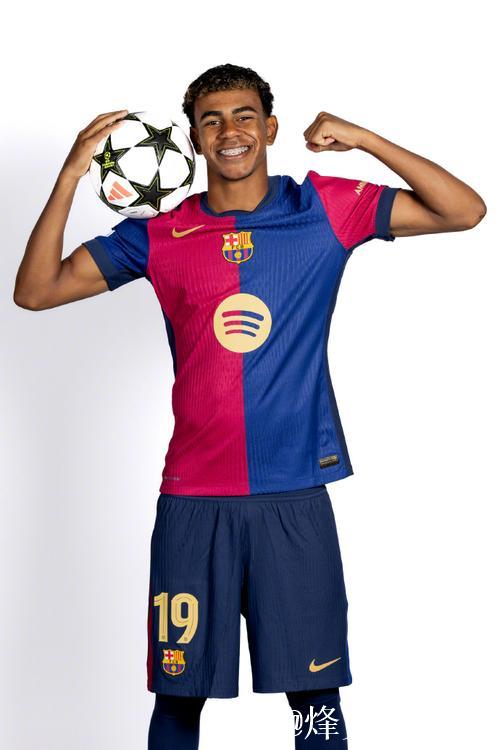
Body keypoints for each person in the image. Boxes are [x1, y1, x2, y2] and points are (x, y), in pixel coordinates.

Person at [13, 63, 486, 749]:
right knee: (179, 700)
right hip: (192, 502)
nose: (228, 131)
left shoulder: (323, 208)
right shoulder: (160, 233)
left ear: (269, 128)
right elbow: (35, 291)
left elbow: (463, 210)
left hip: (293, 496)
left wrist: (362, 138)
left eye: (243, 116)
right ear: (193, 141)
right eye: (211, 121)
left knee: (315, 701)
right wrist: (68, 177)